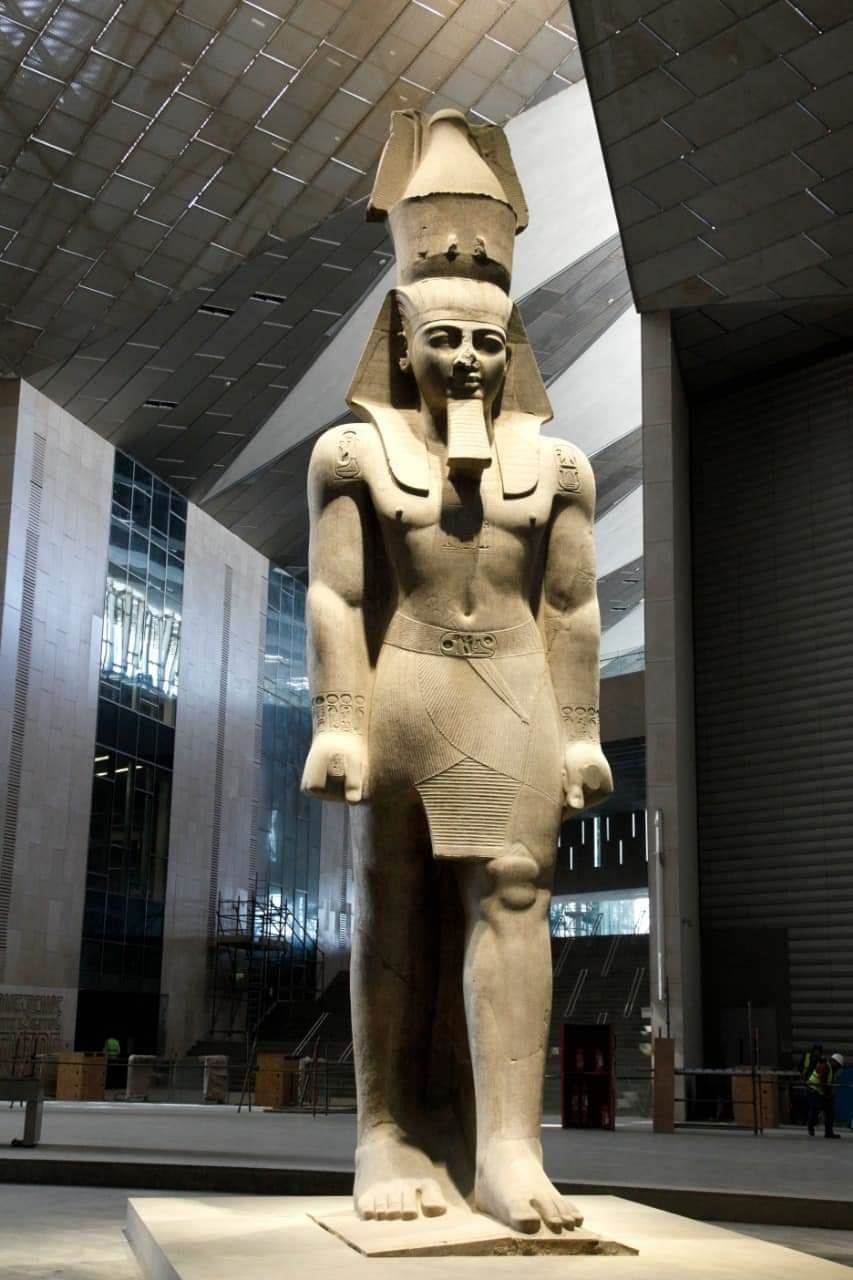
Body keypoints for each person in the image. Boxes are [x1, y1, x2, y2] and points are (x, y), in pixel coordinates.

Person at [302, 108, 613, 1234]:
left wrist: (581, 731)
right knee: (393, 901)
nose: (469, 361)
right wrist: (338, 718)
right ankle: (384, 1132)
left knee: (515, 891)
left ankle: (508, 1148)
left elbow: (569, 605)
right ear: (401, 336)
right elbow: (338, 595)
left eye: (487, 343)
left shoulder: (559, 465)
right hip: (407, 687)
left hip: (515, 689)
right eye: (444, 340)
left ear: (512, 342)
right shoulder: (352, 452)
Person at [807, 1050, 844, 1138]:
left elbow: (828, 1084)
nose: (838, 1068)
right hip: (814, 1090)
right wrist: (828, 1095)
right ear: (834, 1062)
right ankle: (810, 1125)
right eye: (838, 1065)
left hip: (821, 1091)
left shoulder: (831, 1070)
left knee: (829, 1112)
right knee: (815, 1110)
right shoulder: (825, 1066)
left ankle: (829, 1133)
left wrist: (829, 1094)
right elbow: (823, 1082)